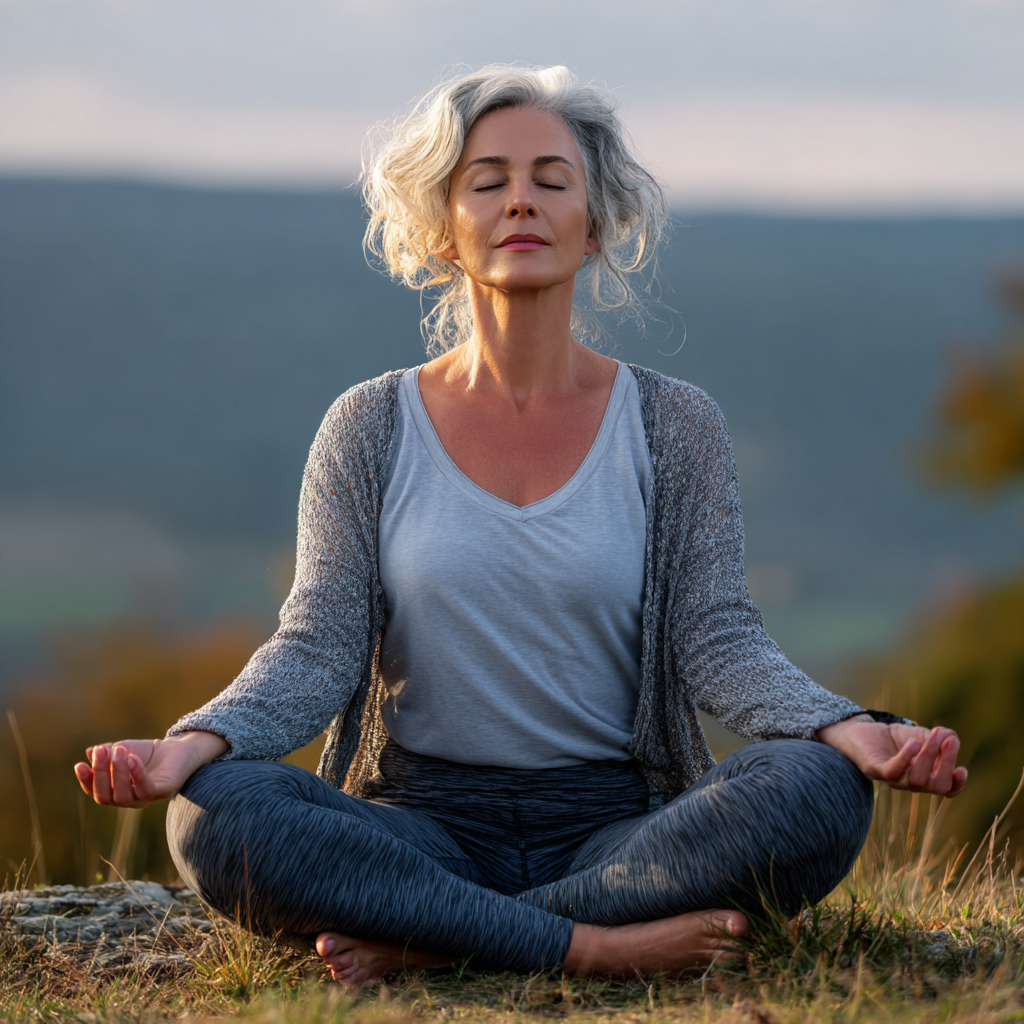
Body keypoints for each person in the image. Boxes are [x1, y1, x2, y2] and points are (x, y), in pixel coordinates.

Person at [74, 64, 967, 990]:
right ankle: (598, 949)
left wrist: (846, 728)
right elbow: (315, 649)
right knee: (213, 813)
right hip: (422, 827)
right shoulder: (369, 425)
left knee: (816, 792)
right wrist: (193, 744)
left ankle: (433, 944)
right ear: (443, 228)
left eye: (552, 178)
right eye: (487, 180)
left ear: (596, 224)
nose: (521, 203)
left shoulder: (676, 424)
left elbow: (719, 638)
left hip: (618, 834)